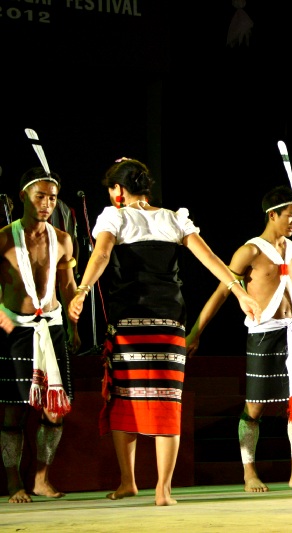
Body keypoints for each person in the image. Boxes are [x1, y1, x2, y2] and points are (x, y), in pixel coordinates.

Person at [67, 158, 260, 506]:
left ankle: (129, 482)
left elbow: (101, 255)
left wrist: (81, 290)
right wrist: (240, 292)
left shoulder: (115, 217)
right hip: (169, 323)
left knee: (124, 400)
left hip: (129, 323)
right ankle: (162, 490)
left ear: (118, 190)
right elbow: (211, 259)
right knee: (167, 401)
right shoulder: (173, 218)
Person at [185, 185, 292, 492]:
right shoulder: (250, 251)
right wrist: (195, 333)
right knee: (255, 407)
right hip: (262, 335)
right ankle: (249, 473)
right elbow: (222, 292)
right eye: (289, 215)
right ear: (272, 215)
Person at [0, 167, 80, 503]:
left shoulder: (63, 239)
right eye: (40, 196)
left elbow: (67, 285)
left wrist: (74, 325)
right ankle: (13, 482)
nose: (47, 204)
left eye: (52, 198)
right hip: (15, 329)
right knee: (13, 411)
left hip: (52, 326)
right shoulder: (4, 238)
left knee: (54, 410)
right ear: (23, 197)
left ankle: (41, 479)